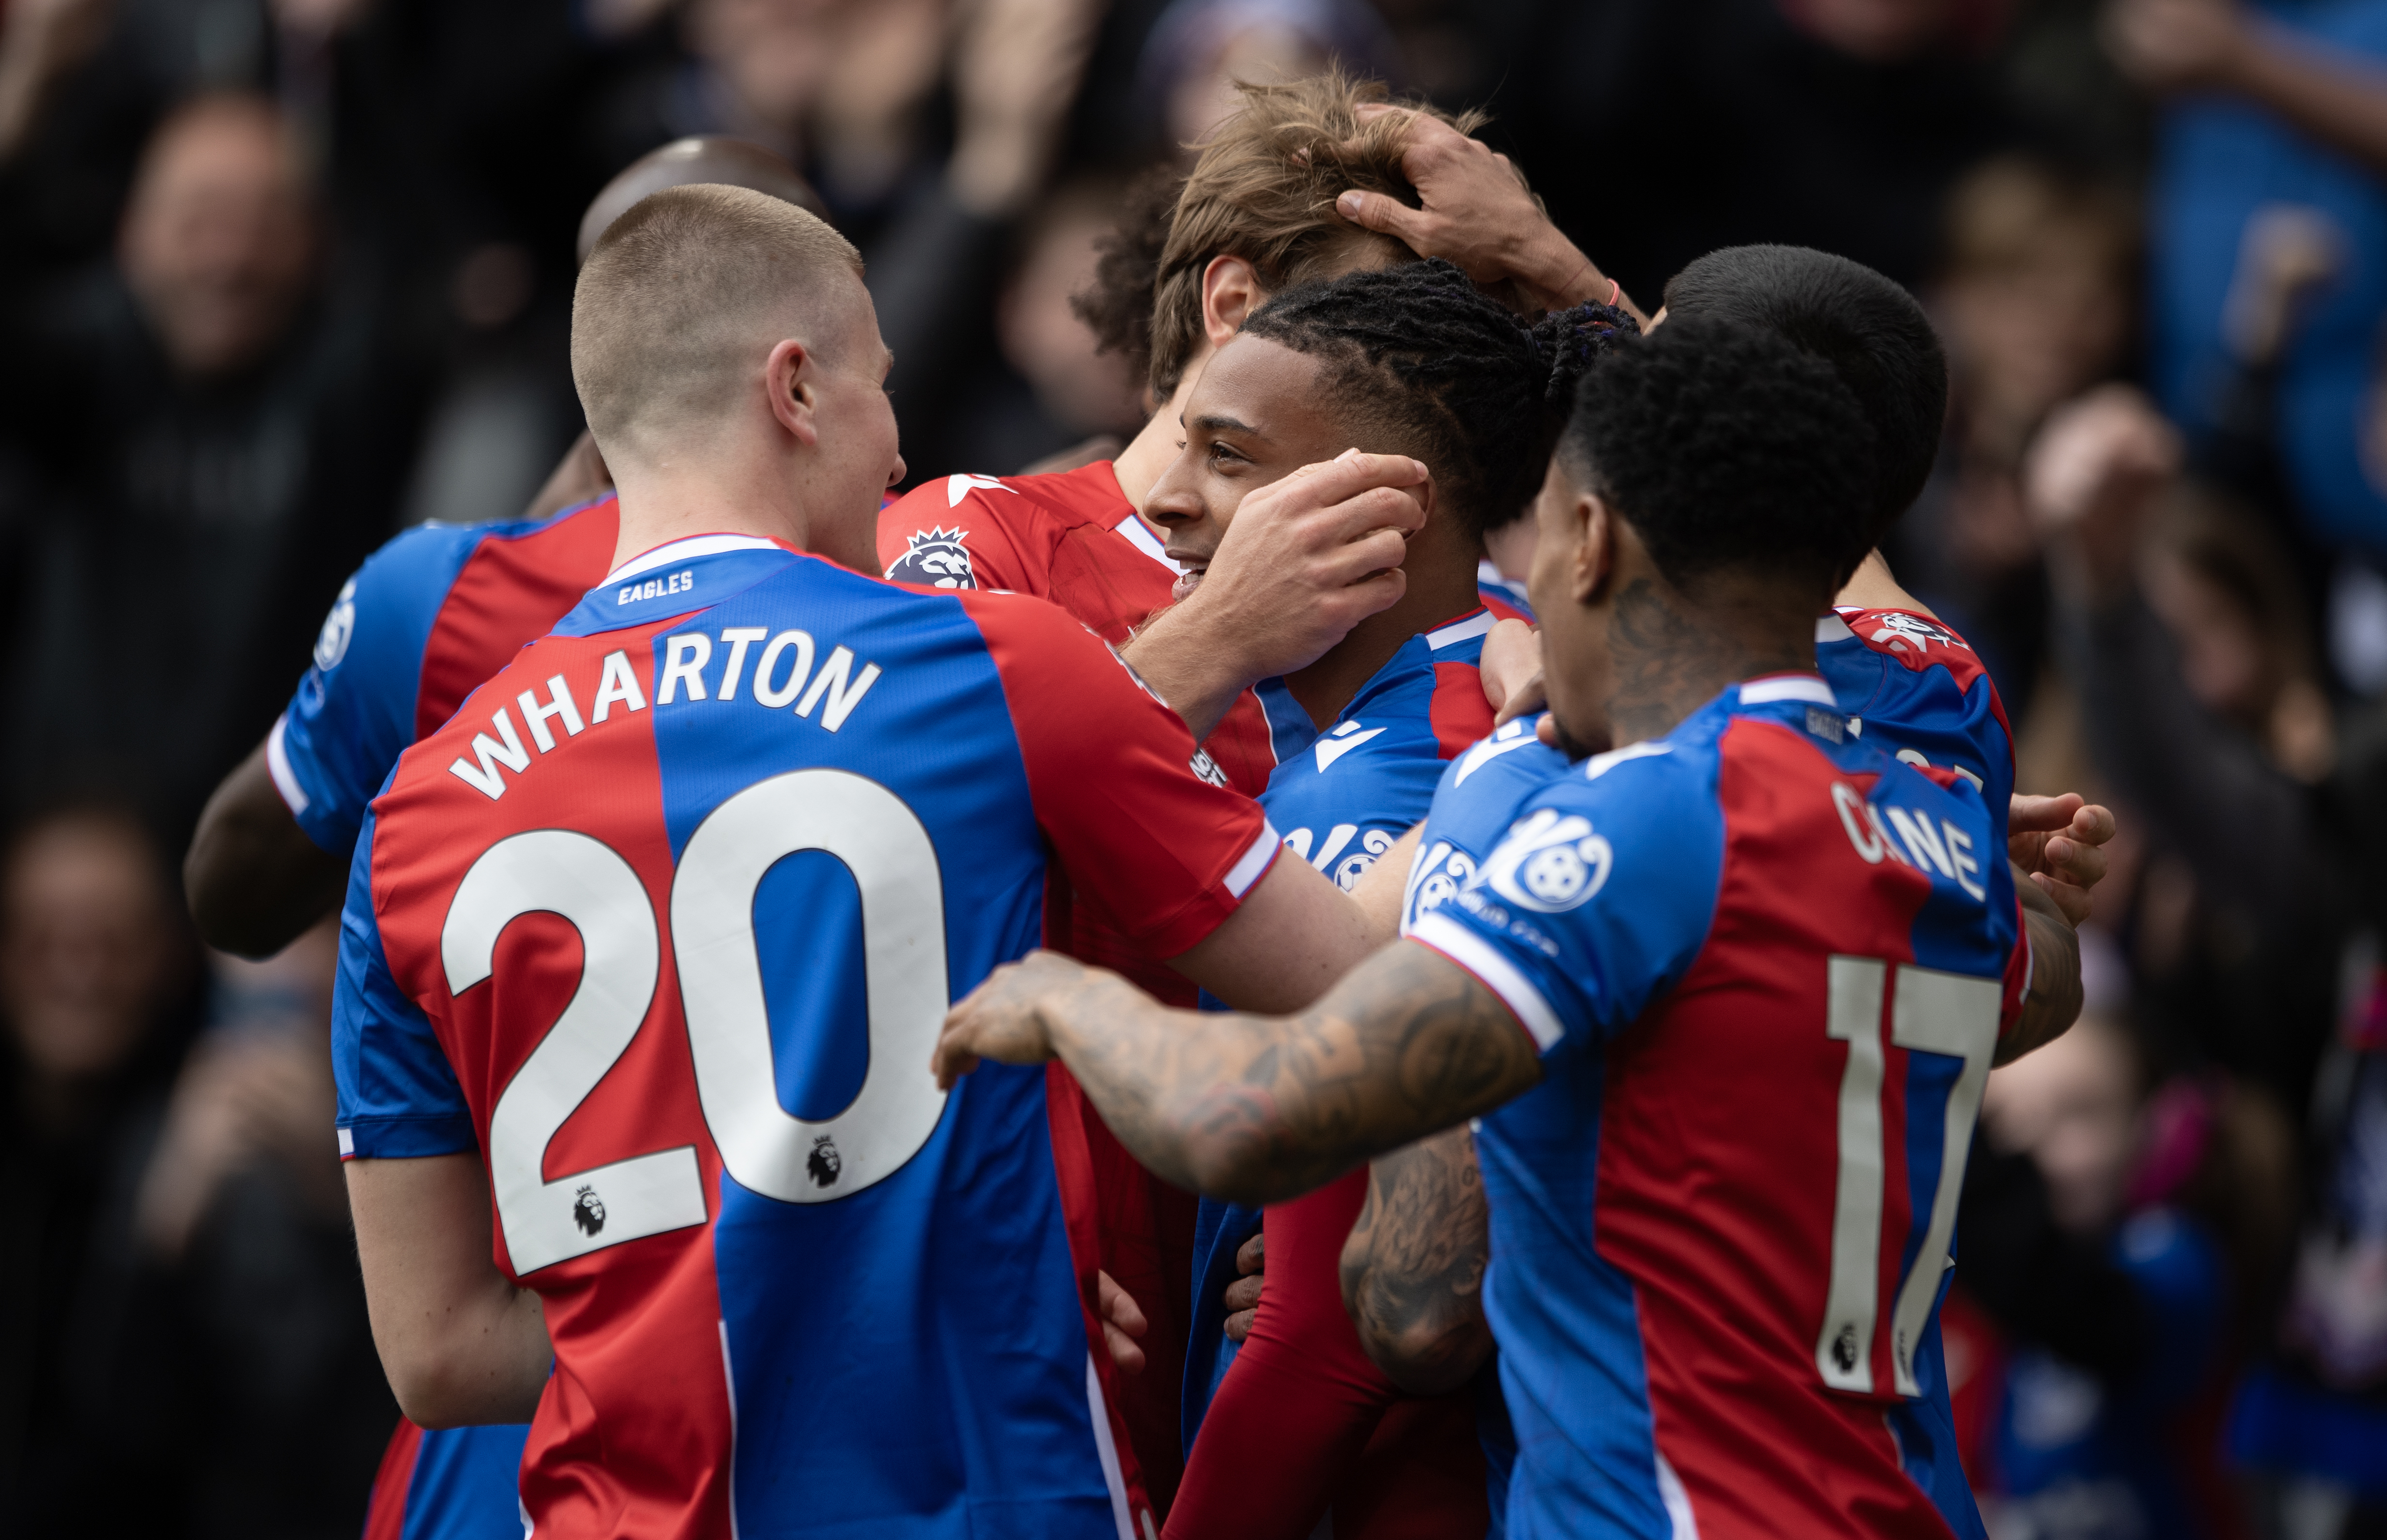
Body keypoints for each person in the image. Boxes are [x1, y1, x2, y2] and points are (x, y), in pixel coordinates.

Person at [334, 185, 1397, 1540]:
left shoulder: (411, 816)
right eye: (884, 387)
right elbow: (1358, 992)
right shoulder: (992, 666)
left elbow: (436, 1353)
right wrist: (1512, 770)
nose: (899, 456)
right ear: (797, 389)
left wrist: (701, 1310)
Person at [937, 317, 2036, 1539]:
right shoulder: (1944, 826)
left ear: (1590, 540)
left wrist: (1064, 1000)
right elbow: (2048, 975)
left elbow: (1323, 1204)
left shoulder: (1629, 824)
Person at [873, 72, 1621, 1499]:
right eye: (1415, 308)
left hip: (1332, 1382)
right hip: (1040, 1306)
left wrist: (1390, 1180)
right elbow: (906, 885)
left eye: (1485, 321)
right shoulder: (984, 536)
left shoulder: (1521, 664)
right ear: (1238, 306)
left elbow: (1765, 529)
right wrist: (1210, 642)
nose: (1467, 359)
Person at [180, 134, 838, 1540]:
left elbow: (230, 889)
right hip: (868, 1360)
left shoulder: (454, 594)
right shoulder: (947, 587)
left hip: (536, 1381)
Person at [1340, 244, 2110, 1418]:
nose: (1612, 378)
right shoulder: (1926, 701)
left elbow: (1421, 1301)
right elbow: (2009, 971)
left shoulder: (1566, 779)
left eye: (1646, 355)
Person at [1141, 261, 1628, 1540]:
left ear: (1385, 502)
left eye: (1226, 457)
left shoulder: (1436, 760)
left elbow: (1331, 1332)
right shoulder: (1351, 726)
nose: (1165, 500)